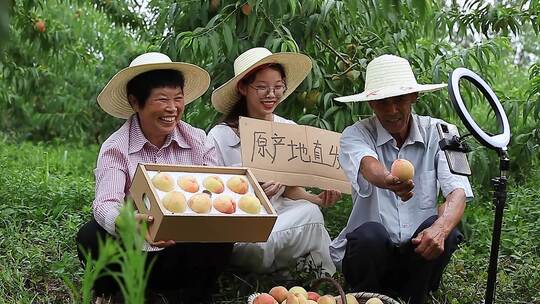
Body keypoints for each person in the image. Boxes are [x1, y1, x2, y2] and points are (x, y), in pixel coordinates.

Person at [75, 52, 233, 304]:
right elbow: (105, 203)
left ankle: (188, 294)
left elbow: (212, 191)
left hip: (181, 247)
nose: (172, 109)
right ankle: (122, 289)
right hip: (134, 247)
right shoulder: (117, 147)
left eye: (178, 99)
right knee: (90, 236)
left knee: (221, 237)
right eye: (162, 99)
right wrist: (127, 222)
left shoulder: (198, 141)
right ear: (136, 102)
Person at [329, 54, 473, 304]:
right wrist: (388, 180)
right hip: (370, 258)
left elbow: (458, 190)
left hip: (417, 254)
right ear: (371, 104)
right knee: (369, 235)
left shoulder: (444, 133)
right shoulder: (356, 134)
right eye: (383, 102)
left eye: (400, 100)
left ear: (414, 97)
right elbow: (367, 164)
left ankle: (416, 296)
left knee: (445, 229)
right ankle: (366, 296)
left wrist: (440, 229)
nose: (392, 110)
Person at [207, 47, 341, 276]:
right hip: (244, 225)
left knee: (310, 212)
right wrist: (251, 192)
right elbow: (210, 198)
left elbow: (290, 190)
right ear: (243, 88)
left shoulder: (288, 130)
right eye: (261, 87)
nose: (271, 94)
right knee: (257, 246)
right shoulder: (220, 137)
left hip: (284, 216)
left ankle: (314, 278)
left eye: (278, 87)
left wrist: (315, 198)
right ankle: (290, 271)